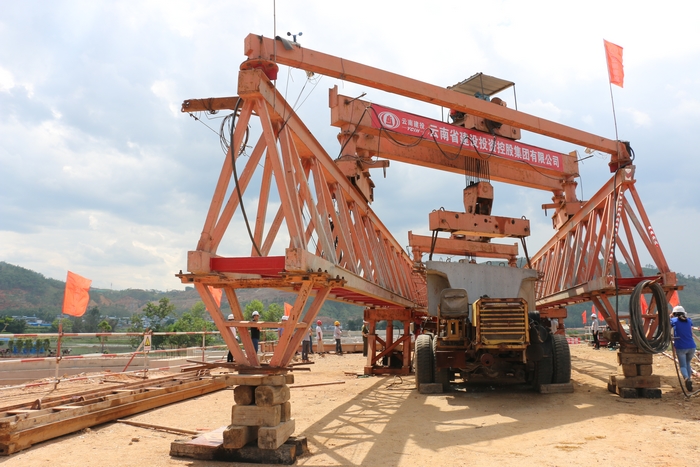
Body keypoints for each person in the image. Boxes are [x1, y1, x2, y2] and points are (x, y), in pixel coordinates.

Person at [671, 305, 696, 391]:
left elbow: (667, 325)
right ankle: (689, 379)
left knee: (682, 366)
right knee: (688, 363)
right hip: (692, 346)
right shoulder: (689, 320)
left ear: (674, 314)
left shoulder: (673, 320)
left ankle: (686, 378)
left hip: (681, 347)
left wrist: (670, 317)